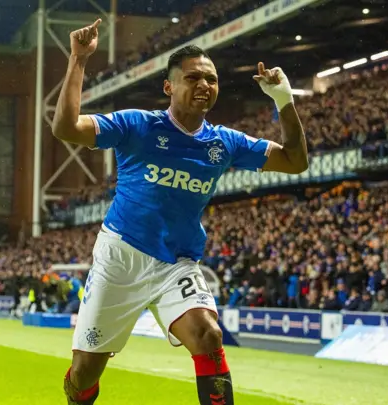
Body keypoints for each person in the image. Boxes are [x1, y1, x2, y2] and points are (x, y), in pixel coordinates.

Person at [51, 20, 308, 405]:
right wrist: (78, 59)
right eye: (193, 78)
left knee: (209, 335)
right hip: (121, 258)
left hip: (178, 264)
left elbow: (295, 161)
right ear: (169, 87)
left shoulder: (224, 142)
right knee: (85, 372)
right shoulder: (136, 125)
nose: (205, 85)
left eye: (212, 79)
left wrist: (283, 99)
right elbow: (66, 128)